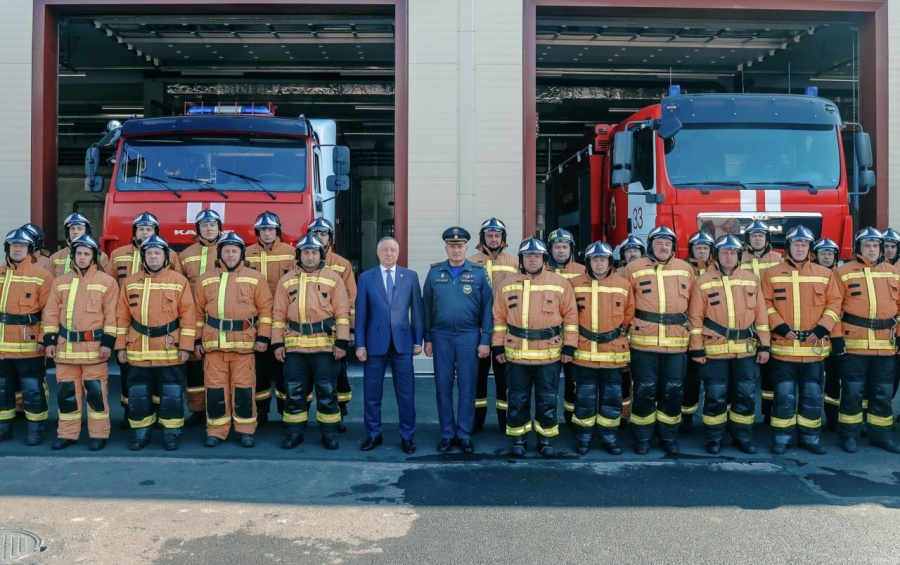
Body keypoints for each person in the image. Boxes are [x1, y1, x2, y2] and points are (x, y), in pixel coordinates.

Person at [492, 237, 578, 458]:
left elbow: (571, 318)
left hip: (549, 354)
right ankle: (518, 439)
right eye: (528, 256)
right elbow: (499, 319)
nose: (532, 259)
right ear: (521, 259)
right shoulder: (506, 284)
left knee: (547, 398)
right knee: (518, 399)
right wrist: (498, 348)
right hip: (516, 354)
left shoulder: (560, 283)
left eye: (536, 256)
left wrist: (569, 347)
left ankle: (545, 439)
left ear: (544, 258)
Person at [761, 225, 841, 455]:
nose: (799, 248)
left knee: (812, 395)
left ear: (810, 248)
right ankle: (782, 438)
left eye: (803, 244)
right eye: (795, 244)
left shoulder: (825, 274)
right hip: (783, 348)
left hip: (814, 348)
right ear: (788, 247)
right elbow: (764, 303)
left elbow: (834, 303)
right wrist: (779, 325)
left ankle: (810, 437)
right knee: (784, 395)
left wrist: (823, 328)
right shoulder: (772, 273)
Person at [688, 234, 770, 455]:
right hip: (714, 351)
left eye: (732, 252)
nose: (728, 256)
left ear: (739, 256)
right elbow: (695, 318)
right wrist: (696, 348)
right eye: (724, 252)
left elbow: (761, 316)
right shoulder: (703, 281)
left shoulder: (752, 279)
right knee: (715, 396)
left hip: (745, 351)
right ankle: (714, 438)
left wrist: (765, 346)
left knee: (745, 395)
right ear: (717, 255)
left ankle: (743, 437)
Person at [116, 235, 196, 451]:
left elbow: (189, 316)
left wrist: (187, 346)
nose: (153, 257)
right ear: (143, 257)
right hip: (137, 348)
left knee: (171, 394)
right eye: (149, 253)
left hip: (170, 348)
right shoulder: (130, 282)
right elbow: (122, 317)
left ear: (166, 257)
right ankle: (141, 434)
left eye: (157, 253)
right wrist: (120, 346)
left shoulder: (179, 282)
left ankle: (171, 435)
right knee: (139, 394)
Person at [272, 234, 350, 451]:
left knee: (327, 391)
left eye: (314, 252)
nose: (309, 256)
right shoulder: (286, 280)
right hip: (294, 347)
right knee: (294, 391)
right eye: (305, 252)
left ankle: (329, 433)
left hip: (324, 347)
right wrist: (277, 344)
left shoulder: (333, 278)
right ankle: (294, 432)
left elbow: (342, 313)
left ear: (321, 254)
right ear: (299, 255)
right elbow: (278, 315)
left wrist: (341, 342)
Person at [195, 232, 272, 448]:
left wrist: (263, 337)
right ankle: (216, 431)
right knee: (215, 389)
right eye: (226, 250)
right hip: (214, 346)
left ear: (242, 253)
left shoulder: (255, 278)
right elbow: (198, 315)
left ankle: (246, 430)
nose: (230, 255)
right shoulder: (205, 279)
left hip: (245, 346)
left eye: (235, 251)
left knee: (244, 390)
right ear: (219, 253)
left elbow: (266, 310)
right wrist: (196, 342)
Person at [623, 225, 694, 455]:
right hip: (643, 342)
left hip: (677, 344)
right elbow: (624, 304)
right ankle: (642, 436)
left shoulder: (685, 269)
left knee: (673, 391)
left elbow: (694, 306)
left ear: (673, 246)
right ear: (650, 245)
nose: (663, 247)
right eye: (658, 242)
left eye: (668, 243)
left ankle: (668, 435)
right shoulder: (632, 269)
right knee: (644, 390)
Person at [106, 211, 180, 429]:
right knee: (131, 378)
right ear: (135, 232)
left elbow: (175, 282)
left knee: (160, 379)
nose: (145, 232)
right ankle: (132, 416)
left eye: (149, 229)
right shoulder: (118, 254)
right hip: (130, 324)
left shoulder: (171, 255)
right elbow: (109, 288)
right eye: (141, 229)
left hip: (160, 325)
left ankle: (158, 417)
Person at [43, 235, 118, 451]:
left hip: (94, 350)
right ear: (73, 256)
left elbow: (112, 317)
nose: (82, 257)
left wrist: (108, 343)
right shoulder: (60, 282)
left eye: (86, 253)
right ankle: (67, 434)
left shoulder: (107, 282)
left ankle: (98, 434)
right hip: (65, 350)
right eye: (79, 253)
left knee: (96, 396)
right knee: (67, 396)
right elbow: (50, 315)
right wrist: (49, 340)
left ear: (94, 256)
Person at [423, 227, 492, 453]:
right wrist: (428, 338)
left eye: (460, 246)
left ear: (466, 248)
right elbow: (426, 309)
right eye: (452, 246)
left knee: (467, 387)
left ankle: (464, 434)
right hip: (441, 336)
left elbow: (487, 310)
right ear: (446, 248)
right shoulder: (435, 273)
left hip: (469, 336)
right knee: (443, 386)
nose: (456, 249)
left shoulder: (479, 273)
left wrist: (485, 339)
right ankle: (447, 434)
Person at [831, 228, 900, 454]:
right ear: (859, 248)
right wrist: (837, 339)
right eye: (867, 245)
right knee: (852, 392)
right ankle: (849, 435)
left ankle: (881, 435)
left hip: (885, 346)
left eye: (875, 246)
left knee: (882, 393)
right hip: (854, 345)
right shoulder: (843, 272)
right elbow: (834, 308)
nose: (872, 250)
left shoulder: (893, 272)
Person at [355, 237, 423, 454]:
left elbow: (418, 312)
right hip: (374, 343)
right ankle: (374, 434)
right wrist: (360, 344)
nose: (389, 253)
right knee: (372, 393)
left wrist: (417, 340)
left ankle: (407, 436)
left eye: (393, 249)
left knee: (406, 394)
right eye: (384, 250)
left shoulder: (410, 276)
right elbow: (361, 315)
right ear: (377, 253)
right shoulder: (366, 278)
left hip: (403, 343)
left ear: (399, 252)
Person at [568, 241, 633, 455]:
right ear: (588, 262)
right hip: (584, 352)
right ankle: (584, 438)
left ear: (609, 262)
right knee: (584, 399)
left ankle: (609, 438)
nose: (599, 264)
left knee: (612, 399)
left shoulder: (623, 285)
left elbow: (628, 315)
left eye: (603, 259)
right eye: (595, 260)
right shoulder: (574, 284)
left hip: (613, 353)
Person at [0, 228, 52, 445]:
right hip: (3, 346)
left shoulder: (42, 276)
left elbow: (49, 312)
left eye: (22, 246)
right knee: (2, 389)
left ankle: (35, 428)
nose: (18, 249)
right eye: (14, 245)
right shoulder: (0, 273)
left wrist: (44, 339)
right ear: (8, 249)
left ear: (30, 250)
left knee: (32, 389)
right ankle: (4, 427)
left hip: (30, 346)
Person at [468, 218, 518, 431]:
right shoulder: (470, 261)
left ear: (503, 238)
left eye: (497, 235)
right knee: (476, 379)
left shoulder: (514, 262)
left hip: (504, 330)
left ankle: (504, 421)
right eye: (490, 235)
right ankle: (476, 422)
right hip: (477, 330)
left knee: (504, 380)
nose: (494, 239)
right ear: (483, 238)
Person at [245, 211, 295, 424]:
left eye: (271, 229)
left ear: (277, 231)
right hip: (256, 321)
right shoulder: (246, 254)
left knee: (285, 371)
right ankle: (261, 413)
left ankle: (286, 414)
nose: (267, 233)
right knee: (259, 372)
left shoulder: (292, 253)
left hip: (284, 320)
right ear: (257, 232)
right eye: (263, 230)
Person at [308, 217, 358, 431]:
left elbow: (351, 299)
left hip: (336, 332)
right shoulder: (301, 261)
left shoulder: (342, 264)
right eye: (315, 234)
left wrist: (351, 331)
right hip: (307, 334)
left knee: (337, 377)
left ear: (330, 238)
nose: (319, 238)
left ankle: (338, 417)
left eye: (323, 234)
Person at [179, 208, 224, 426]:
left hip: (221, 316)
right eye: (204, 225)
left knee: (220, 367)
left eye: (212, 225)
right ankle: (197, 410)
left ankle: (221, 411)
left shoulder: (228, 250)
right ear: (197, 229)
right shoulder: (186, 255)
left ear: (219, 228)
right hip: (193, 316)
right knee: (195, 369)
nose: (208, 228)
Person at [740, 219, 783, 423]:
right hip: (746, 319)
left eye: (761, 235)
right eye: (754, 235)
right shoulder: (737, 258)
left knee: (771, 373)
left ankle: (768, 413)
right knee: (746, 373)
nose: (758, 238)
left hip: (773, 320)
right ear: (747, 239)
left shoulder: (779, 259)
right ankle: (743, 415)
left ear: (767, 238)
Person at [545, 228, 586, 425]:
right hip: (548, 337)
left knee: (574, 381)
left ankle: (571, 419)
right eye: (557, 247)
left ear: (572, 249)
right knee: (548, 384)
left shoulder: (583, 270)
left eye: (565, 247)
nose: (561, 251)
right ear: (549, 249)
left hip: (574, 335)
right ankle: (548, 420)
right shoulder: (541, 270)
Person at [681, 230, 716, 433]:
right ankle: (687, 417)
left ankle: (715, 419)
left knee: (716, 381)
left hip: (715, 333)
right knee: (690, 380)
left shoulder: (719, 269)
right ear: (691, 249)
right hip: (690, 332)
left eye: (705, 248)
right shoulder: (684, 270)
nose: (702, 251)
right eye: (698, 247)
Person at [615, 234, 646, 423]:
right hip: (623, 333)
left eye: (636, 250)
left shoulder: (650, 273)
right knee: (623, 378)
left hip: (645, 333)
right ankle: (623, 415)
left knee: (644, 379)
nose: (632, 254)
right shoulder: (615, 275)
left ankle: (642, 414)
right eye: (628, 251)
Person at [812, 238, 842, 431]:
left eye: (830, 253)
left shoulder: (841, 275)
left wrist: (837, 337)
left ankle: (832, 419)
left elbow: (839, 310)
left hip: (835, 336)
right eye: (822, 253)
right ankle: (811, 418)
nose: (826, 256)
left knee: (834, 380)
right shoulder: (810, 276)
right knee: (812, 383)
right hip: (812, 337)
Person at [49, 213, 109, 278]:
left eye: (80, 229)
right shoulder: (55, 258)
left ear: (87, 231)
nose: (75, 232)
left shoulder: (101, 257)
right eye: (72, 229)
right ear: (67, 232)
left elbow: (104, 281)